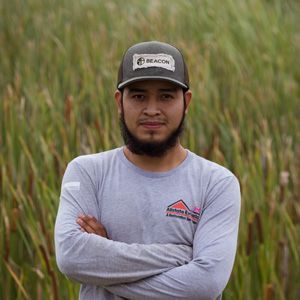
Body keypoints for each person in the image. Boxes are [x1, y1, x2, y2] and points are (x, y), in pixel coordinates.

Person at [54, 41, 241, 300]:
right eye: (139, 96)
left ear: (186, 102)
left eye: (166, 96)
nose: (152, 110)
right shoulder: (87, 173)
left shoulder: (217, 183)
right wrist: (180, 256)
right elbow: (72, 257)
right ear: (120, 101)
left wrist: (104, 265)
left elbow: (205, 284)